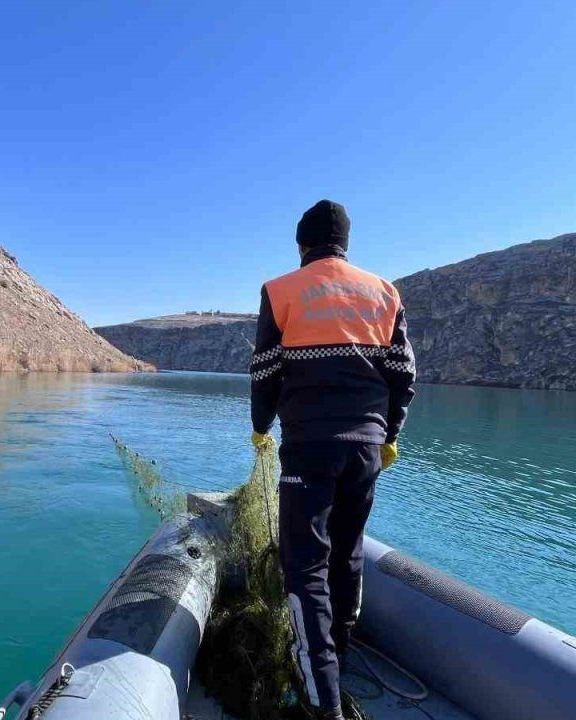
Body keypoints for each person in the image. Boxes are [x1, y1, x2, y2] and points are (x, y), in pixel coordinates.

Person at [249, 199, 416, 719]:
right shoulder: (384, 293)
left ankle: (322, 702)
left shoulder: (281, 291)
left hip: (309, 448)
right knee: (346, 554)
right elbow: (403, 375)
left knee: (306, 569)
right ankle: (337, 661)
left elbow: (265, 372)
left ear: (302, 244)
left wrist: (260, 428)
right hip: (366, 449)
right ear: (345, 242)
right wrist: (389, 434)